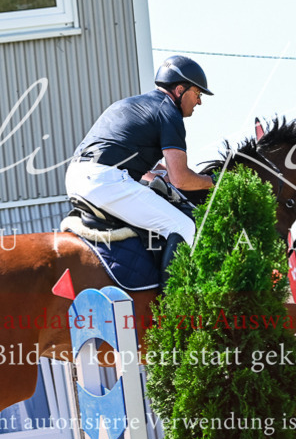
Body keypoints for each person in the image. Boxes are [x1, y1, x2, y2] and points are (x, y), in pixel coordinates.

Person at [66, 55, 217, 280]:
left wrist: (162, 175)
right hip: (104, 181)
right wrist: (214, 182)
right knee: (183, 226)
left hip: (76, 177)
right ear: (179, 89)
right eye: (197, 93)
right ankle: (175, 309)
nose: (199, 102)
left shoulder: (131, 103)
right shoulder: (169, 113)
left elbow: (147, 165)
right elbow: (181, 179)